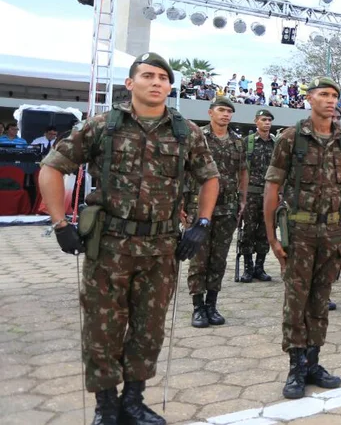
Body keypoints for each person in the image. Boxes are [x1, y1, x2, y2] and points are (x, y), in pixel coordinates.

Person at [38, 52, 219, 424]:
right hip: (109, 247)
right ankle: (106, 407)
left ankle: (133, 401)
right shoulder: (102, 126)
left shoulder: (187, 132)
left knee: (149, 329)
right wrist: (60, 223)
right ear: (130, 83)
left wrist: (201, 223)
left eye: (163, 78)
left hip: (161, 247)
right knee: (102, 329)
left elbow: (209, 177)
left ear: (170, 87)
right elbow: (52, 167)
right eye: (148, 75)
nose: (156, 82)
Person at [263, 77, 341, 399]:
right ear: (309, 99)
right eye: (324, 94)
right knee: (296, 301)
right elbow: (272, 187)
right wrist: (272, 238)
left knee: (320, 300)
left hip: (333, 232)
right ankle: (295, 366)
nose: (330, 100)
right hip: (300, 233)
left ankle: (313, 363)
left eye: (334, 95)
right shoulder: (291, 139)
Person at [187, 97, 248, 328]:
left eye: (229, 112)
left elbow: (243, 171)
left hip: (227, 209)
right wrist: (183, 205)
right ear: (210, 112)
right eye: (221, 110)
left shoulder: (237, 142)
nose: (226, 115)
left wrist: (242, 199)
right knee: (198, 259)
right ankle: (198, 306)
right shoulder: (197, 137)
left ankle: (212, 304)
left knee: (218, 258)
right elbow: (186, 170)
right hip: (199, 206)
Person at [240, 109, 276, 283]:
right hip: (251, 195)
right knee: (248, 231)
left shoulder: (275, 143)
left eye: (269, 120)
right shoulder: (247, 143)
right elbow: (240, 170)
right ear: (256, 122)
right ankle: (248, 267)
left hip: (269, 196)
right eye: (263, 119)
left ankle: (259, 267)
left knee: (266, 231)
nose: (267, 123)